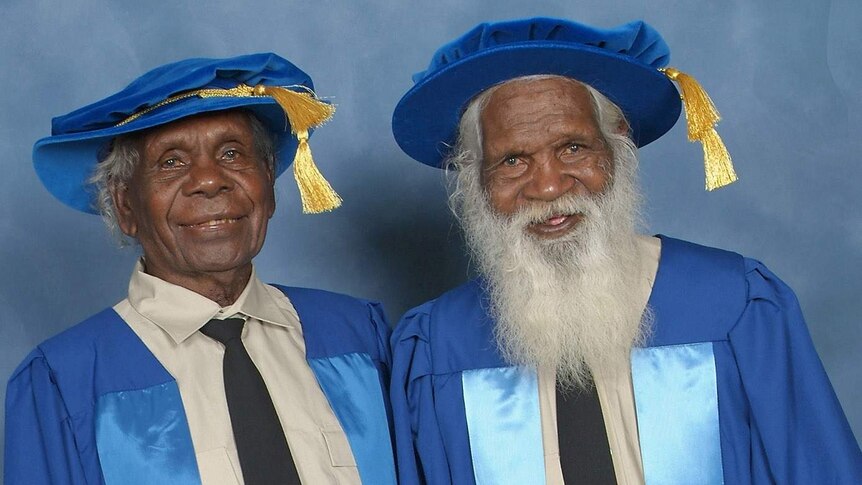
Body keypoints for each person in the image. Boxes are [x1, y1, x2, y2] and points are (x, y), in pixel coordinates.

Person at [389, 17, 862, 484]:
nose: (549, 186)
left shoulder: (733, 304)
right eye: (513, 161)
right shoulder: (437, 346)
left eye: (573, 148)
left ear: (618, 149)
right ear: (475, 181)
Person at [5, 53, 395, 485]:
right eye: (171, 161)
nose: (210, 180)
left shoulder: (359, 334)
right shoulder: (65, 381)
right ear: (126, 206)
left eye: (231, 153)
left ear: (268, 186)